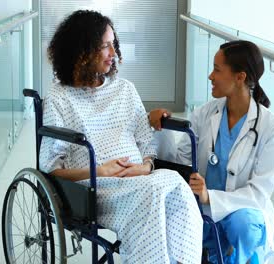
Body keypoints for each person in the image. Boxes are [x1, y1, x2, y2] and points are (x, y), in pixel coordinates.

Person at [39, 10, 202, 263]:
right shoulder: (59, 98)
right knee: (152, 195)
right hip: (94, 190)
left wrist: (145, 166)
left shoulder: (125, 90)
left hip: (139, 179)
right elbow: (51, 168)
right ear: (83, 53)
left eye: (113, 44)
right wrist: (99, 171)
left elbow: (145, 140)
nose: (113, 53)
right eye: (105, 46)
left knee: (177, 185)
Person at [150, 40, 274, 264]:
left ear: (240, 77)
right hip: (201, 207)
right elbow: (182, 162)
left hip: (242, 212)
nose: (210, 76)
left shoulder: (270, 128)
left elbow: (258, 193)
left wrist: (209, 196)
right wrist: (161, 128)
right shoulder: (205, 114)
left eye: (217, 69)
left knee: (243, 226)